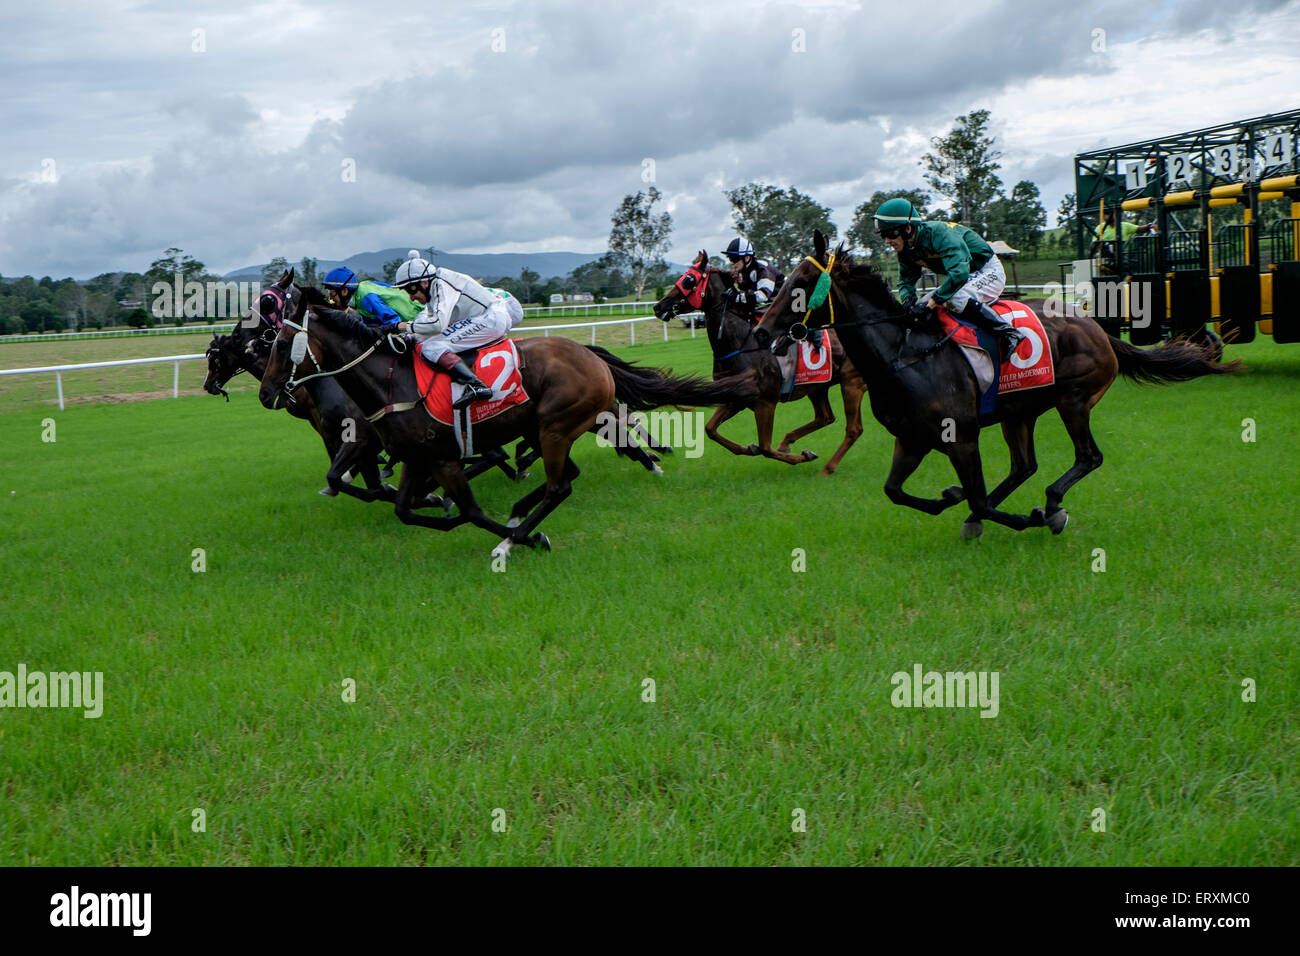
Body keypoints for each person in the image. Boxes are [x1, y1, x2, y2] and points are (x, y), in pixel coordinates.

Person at [874, 197, 1024, 354]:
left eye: (891, 233)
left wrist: (930, 304)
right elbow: (906, 282)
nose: (887, 241)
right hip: (966, 276)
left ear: (908, 228)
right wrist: (908, 301)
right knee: (923, 301)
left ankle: (1008, 332)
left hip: (988, 270)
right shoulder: (906, 251)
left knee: (953, 298)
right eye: (883, 235)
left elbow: (959, 274)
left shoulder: (939, 233)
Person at [392, 250, 525, 410]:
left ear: (424, 283)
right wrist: (409, 335)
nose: (411, 298)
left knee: (431, 347)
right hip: (488, 316)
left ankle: (477, 385)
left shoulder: (441, 285)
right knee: (429, 341)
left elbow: (437, 325)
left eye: (410, 290)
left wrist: (404, 326)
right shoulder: (435, 287)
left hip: (490, 319)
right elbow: (429, 323)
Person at [321, 266, 423, 330]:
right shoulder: (359, 295)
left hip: (418, 317)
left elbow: (393, 321)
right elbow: (366, 325)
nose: (331, 298)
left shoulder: (365, 298)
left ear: (344, 291)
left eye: (332, 293)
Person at [721, 237, 785, 311]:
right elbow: (746, 294)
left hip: (789, 300)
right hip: (773, 302)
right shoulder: (741, 273)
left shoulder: (762, 268)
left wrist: (738, 297)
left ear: (747, 258)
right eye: (730, 258)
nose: (732, 263)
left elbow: (763, 295)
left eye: (734, 258)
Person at [1090, 207, 1157, 274]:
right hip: (1106, 257)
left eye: (1108, 213)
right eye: (1105, 214)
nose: (1106, 216)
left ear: (1115, 214)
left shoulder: (1124, 226)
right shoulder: (1100, 228)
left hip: (1121, 256)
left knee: (1124, 265)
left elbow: (1139, 229)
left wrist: (1149, 226)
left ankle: (1124, 276)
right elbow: (1093, 244)